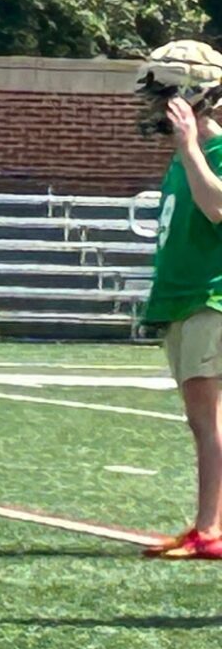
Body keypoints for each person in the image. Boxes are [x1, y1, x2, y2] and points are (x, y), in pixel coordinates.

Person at [135, 41, 222, 559]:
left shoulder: (212, 150)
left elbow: (217, 210)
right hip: (187, 300)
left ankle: (209, 528)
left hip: (210, 299)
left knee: (207, 419)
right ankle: (206, 523)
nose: (151, 108)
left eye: (161, 95)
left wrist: (192, 147)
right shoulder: (181, 157)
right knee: (202, 420)